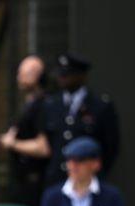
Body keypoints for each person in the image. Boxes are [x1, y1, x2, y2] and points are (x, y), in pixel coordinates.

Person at [37, 54, 120, 188]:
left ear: (82, 76)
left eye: (68, 74)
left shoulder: (100, 106)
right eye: (61, 74)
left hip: (88, 181)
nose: (62, 78)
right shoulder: (51, 104)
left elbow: (110, 147)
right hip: (56, 181)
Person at [0, 55, 50, 206]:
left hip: (35, 180)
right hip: (21, 177)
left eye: (25, 73)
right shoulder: (29, 102)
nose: (19, 77)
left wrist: (13, 143)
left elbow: (43, 147)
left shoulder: (43, 105)